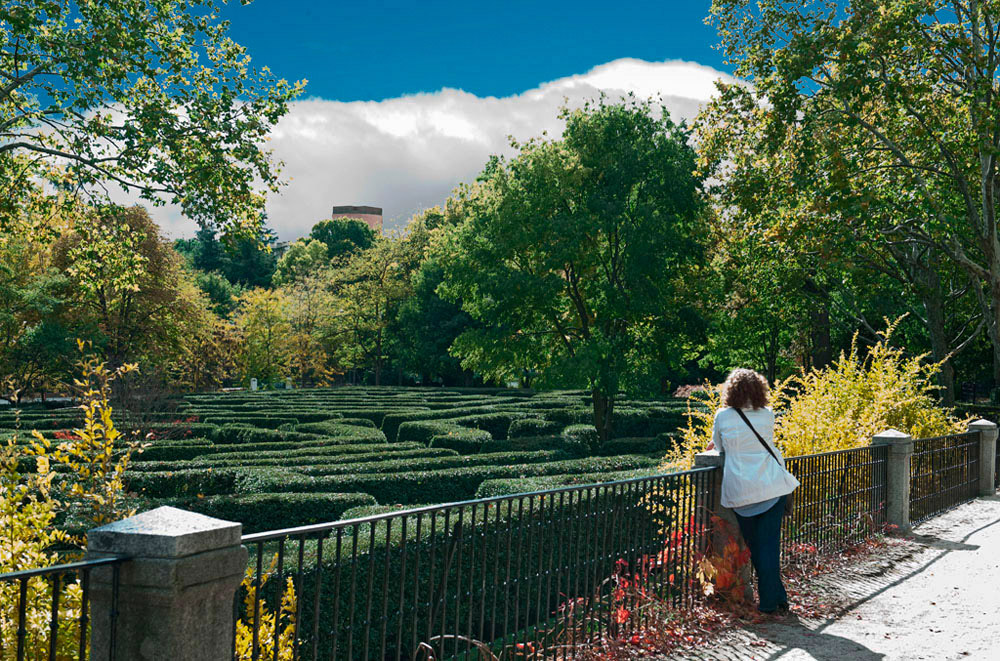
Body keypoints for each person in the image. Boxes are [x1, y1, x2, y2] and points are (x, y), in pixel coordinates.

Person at [706, 368, 799, 614]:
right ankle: (775, 597)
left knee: (756, 547)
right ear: (759, 390)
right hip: (771, 487)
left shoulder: (722, 416)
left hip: (741, 492)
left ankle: (772, 601)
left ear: (731, 390)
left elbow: (719, 444)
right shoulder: (767, 414)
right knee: (769, 546)